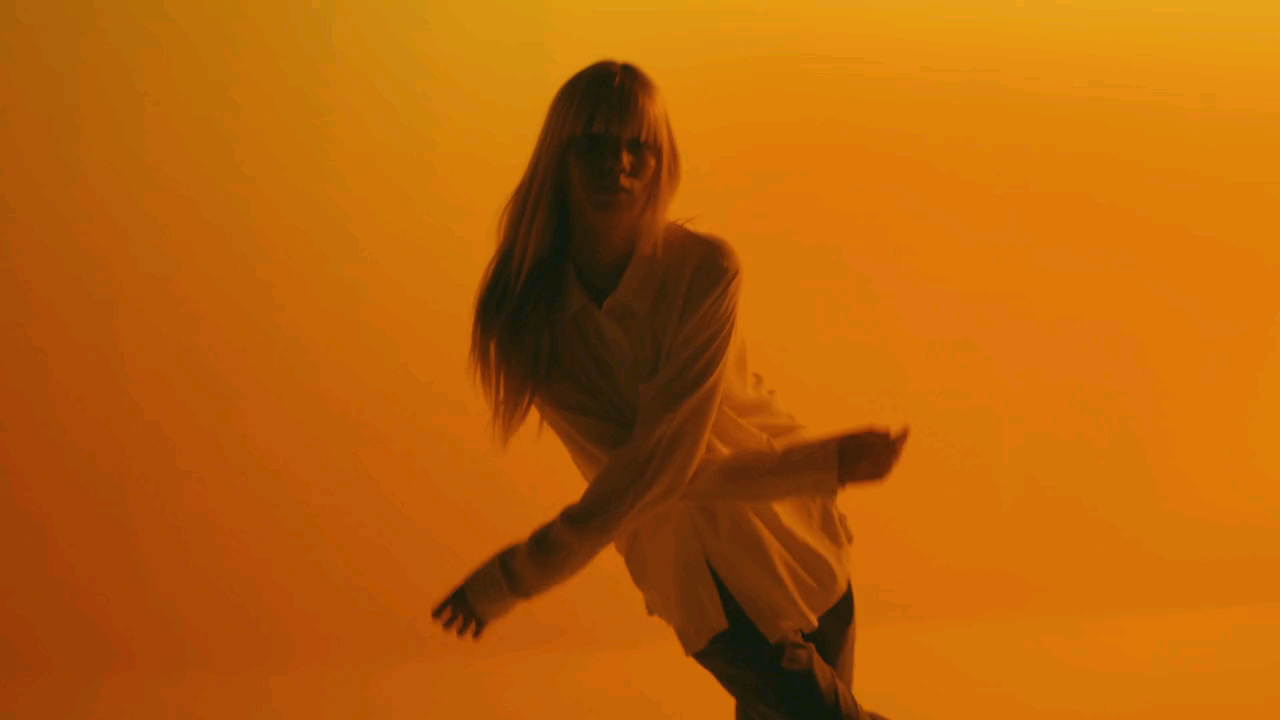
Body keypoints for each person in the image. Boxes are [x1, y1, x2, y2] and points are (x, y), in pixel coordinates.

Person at [432, 59, 909, 720]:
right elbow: (649, 471)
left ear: (663, 162)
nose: (618, 163)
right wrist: (824, 461)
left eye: (638, 145)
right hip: (696, 584)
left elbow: (662, 463)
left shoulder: (705, 271)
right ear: (558, 156)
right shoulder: (524, 319)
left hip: (798, 543)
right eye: (594, 143)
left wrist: (820, 469)